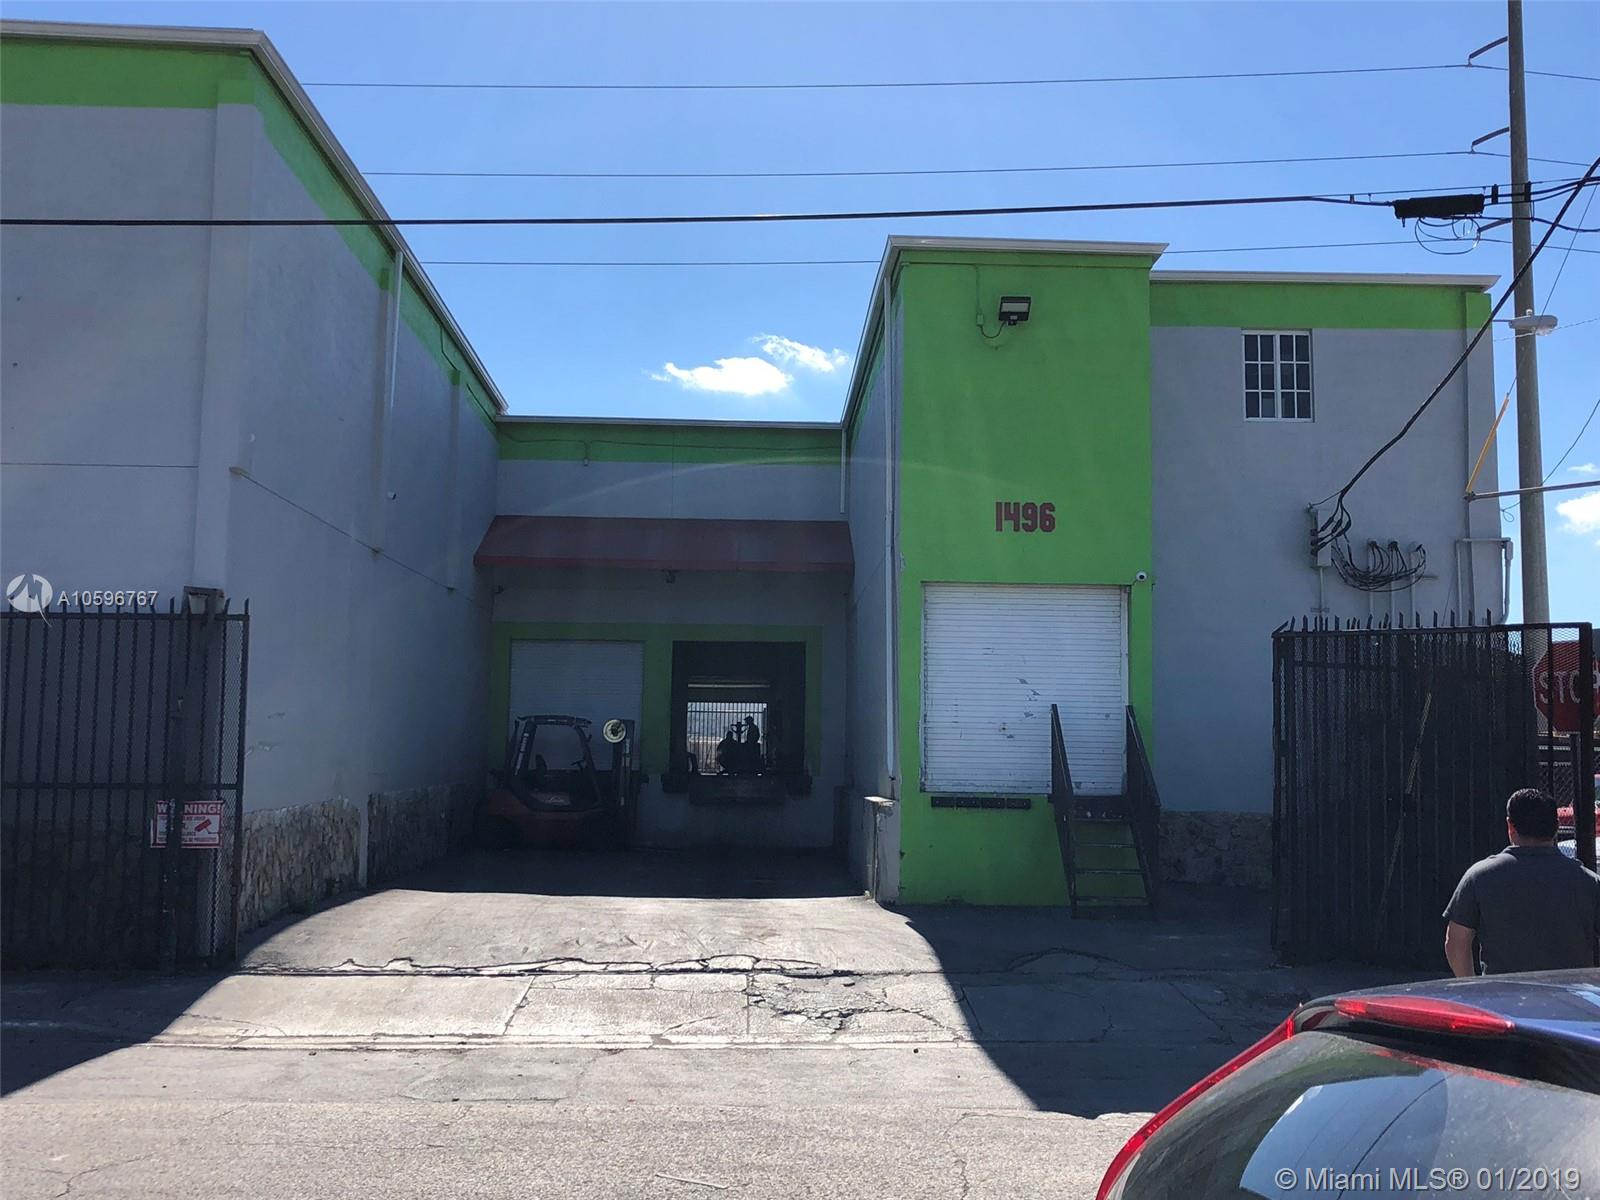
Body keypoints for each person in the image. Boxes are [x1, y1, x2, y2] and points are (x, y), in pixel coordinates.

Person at [1443, 787, 1600, 977]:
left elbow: (1456, 941)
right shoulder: (1588, 881)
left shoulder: (1479, 877)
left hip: (1503, 994)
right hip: (1570, 993)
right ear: (1556, 827)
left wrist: (1471, 987)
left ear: (1510, 826)